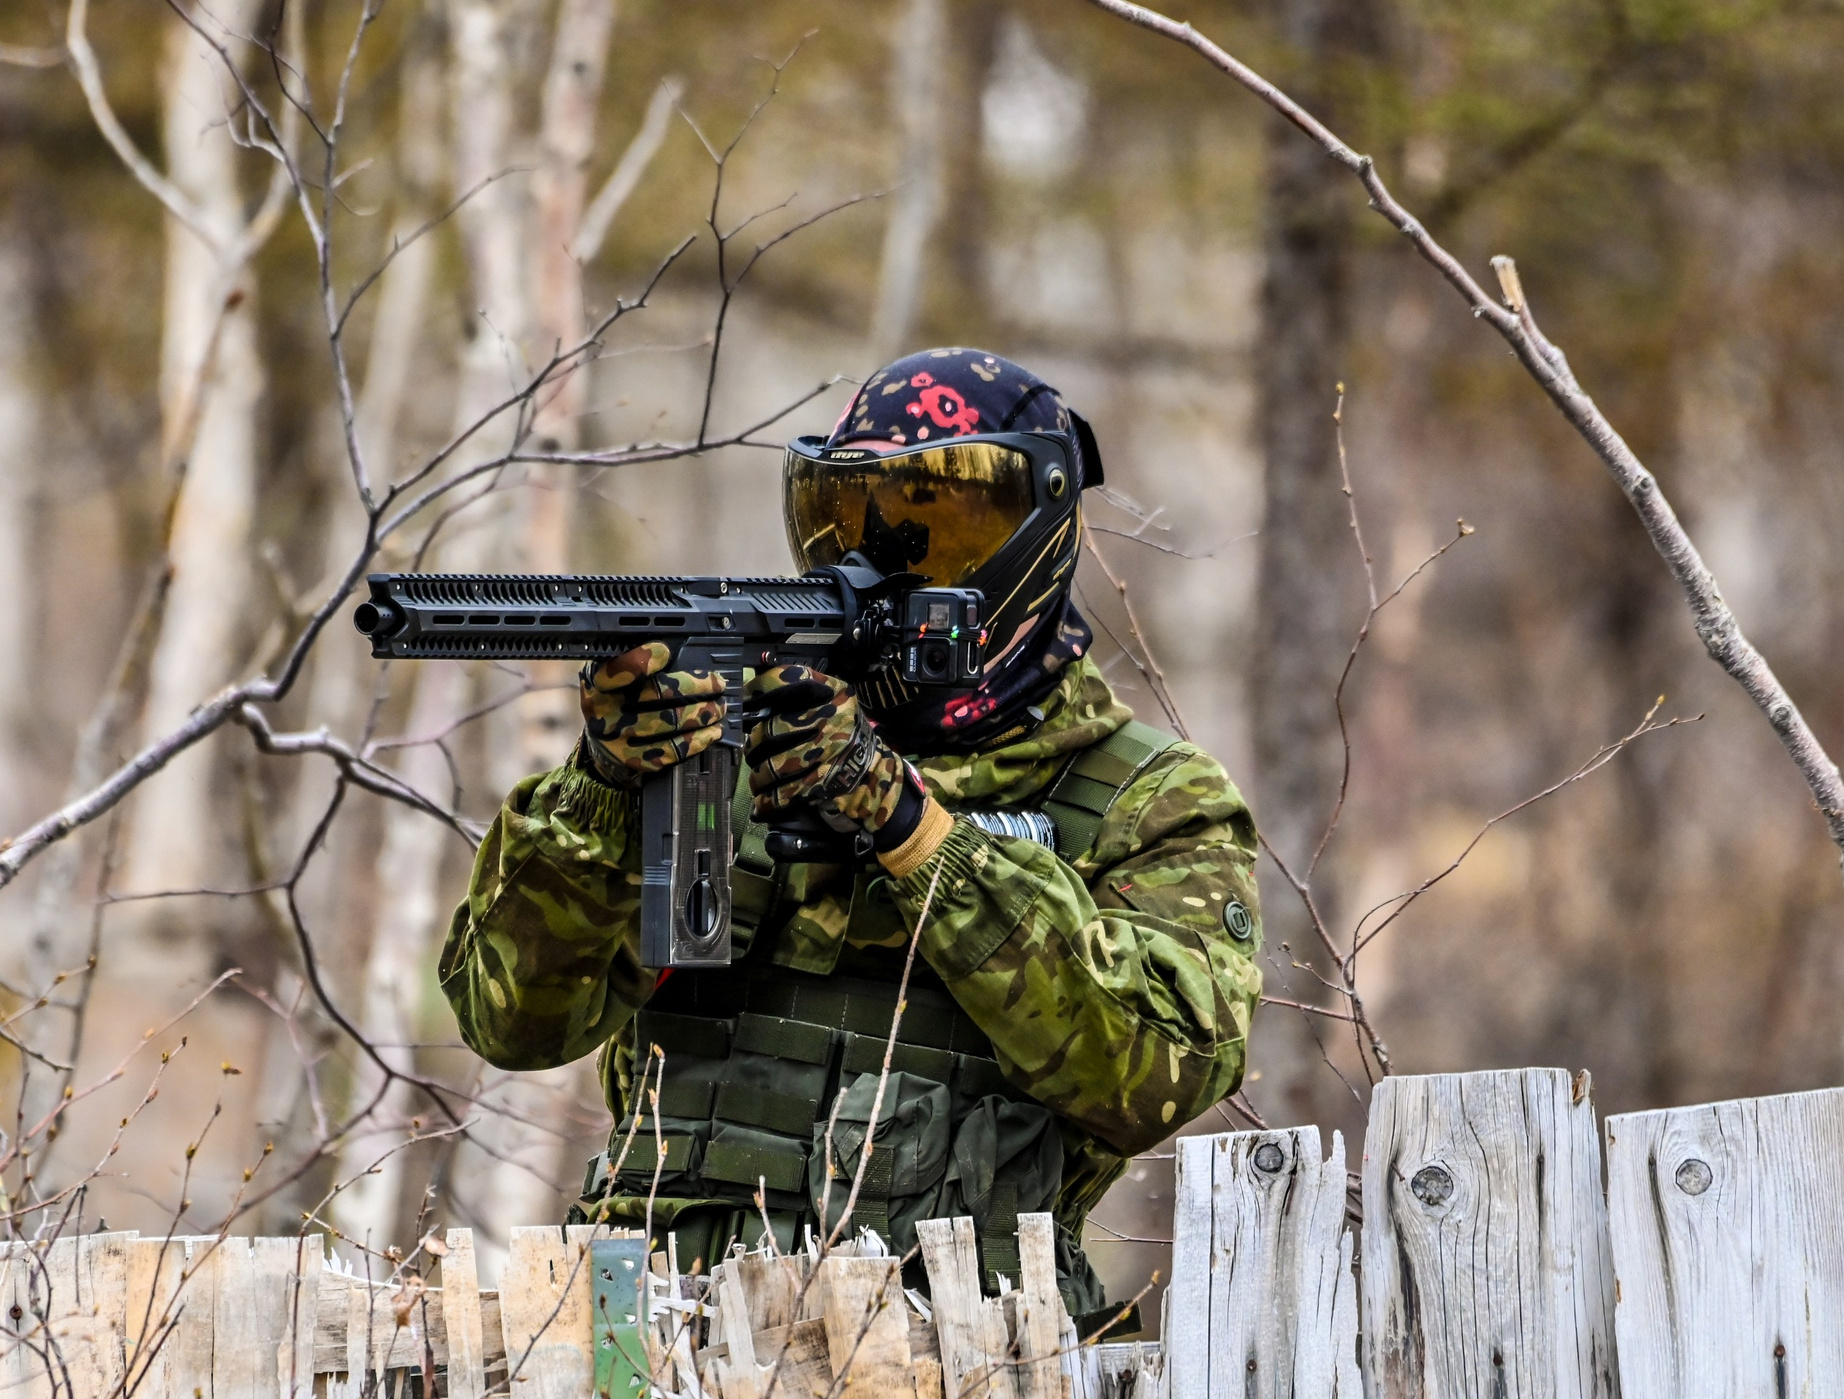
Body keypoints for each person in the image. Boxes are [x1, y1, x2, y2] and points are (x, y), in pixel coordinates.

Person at [438, 349, 1260, 1331]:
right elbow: (513, 1024)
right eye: (844, 516)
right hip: (648, 1342)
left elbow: (1153, 1074)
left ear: (1037, 533)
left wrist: (909, 826)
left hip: (964, 1362)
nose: (878, 565)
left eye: (937, 529)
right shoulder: (717, 754)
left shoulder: (1146, 798)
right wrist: (607, 787)